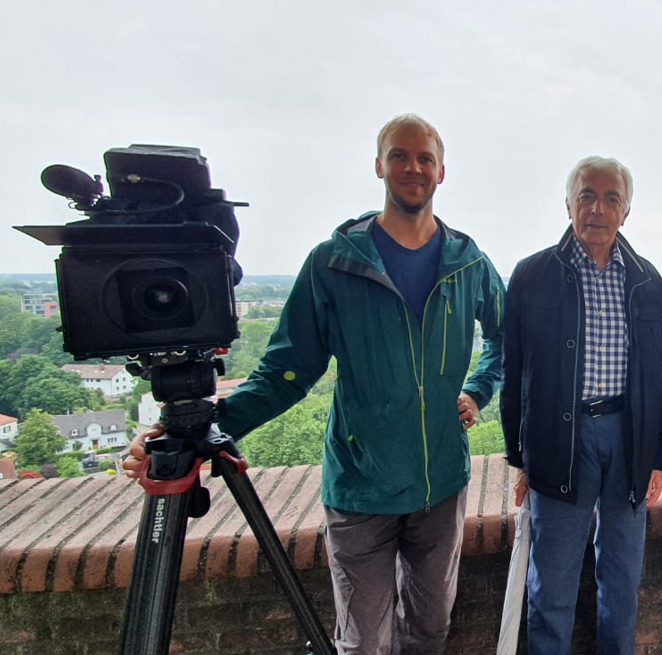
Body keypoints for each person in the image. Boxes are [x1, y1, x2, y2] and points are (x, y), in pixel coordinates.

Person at [125, 113, 505, 655]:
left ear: (441, 171)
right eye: (399, 155)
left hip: (441, 483)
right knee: (362, 642)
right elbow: (285, 373)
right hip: (361, 487)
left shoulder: (469, 264)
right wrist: (193, 430)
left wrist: (478, 389)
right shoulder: (334, 263)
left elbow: (505, 340)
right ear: (379, 166)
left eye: (425, 158)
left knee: (429, 632)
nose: (413, 168)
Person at [501, 155, 662, 655]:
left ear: (626, 211)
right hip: (560, 439)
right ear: (568, 204)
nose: (598, 208)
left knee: (622, 578)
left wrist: (656, 457)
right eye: (587, 196)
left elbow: (659, 376)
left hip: (628, 438)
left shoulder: (645, 280)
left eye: (611, 198)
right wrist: (519, 458)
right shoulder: (532, 275)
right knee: (551, 582)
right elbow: (514, 371)